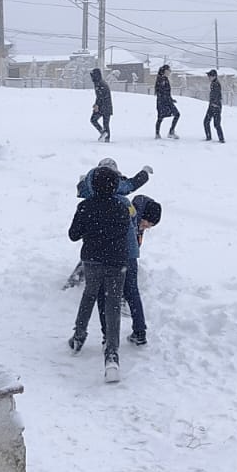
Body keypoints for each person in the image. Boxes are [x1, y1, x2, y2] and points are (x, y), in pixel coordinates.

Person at [67, 166, 133, 383]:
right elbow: (125, 231)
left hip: (92, 259)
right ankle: (112, 354)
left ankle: (79, 336)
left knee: (89, 295)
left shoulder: (85, 207)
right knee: (113, 304)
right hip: (116, 261)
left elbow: (73, 235)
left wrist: (91, 230)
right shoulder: (121, 207)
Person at [64, 158, 152, 290]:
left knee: (91, 255)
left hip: (92, 227)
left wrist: (83, 182)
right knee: (111, 257)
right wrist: (144, 173)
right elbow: (132, 184)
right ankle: (115, 290)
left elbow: (81, 192)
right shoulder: (116, 186)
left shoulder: (90, 186)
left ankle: (75, 281)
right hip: (112, 229)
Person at [119, 194, 162, 347]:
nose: (147, 227)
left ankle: (139, 331)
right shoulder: (132, 216)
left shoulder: (137, 218)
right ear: (143, 215)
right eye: (147, 223)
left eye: (150, 226)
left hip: (125, 256)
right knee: (131, 290)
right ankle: (139, 331)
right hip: (124, 256)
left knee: (130, 290)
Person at [153, 64, 180, 139]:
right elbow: (161, 92)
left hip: (167, 101)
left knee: (176, 114)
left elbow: (167, 92)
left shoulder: (165, 79)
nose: (170, 72)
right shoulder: (161, 79)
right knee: (160, 117)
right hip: (163, 102)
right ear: (165, 71)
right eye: (169, 70)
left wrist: (171, 99)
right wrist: (167, 99)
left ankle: (170, 132)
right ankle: (158, 134)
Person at [89, 67, 113, 142]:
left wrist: (97, 105)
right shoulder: (101, 82)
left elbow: (100, 96)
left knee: (93, 120)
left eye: (92, 75)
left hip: (103, 106)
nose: (91, 77)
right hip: (107, 106)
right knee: (106, 123)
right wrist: (96, 104)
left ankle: (104, 134)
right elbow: (100, 96)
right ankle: (106, 138)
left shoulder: (99, 83)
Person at [203, 69, 224, 143]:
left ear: (214, 76)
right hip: (212, 106)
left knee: (216, 124)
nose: (208, 77)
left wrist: (215, 104)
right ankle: (209, 137)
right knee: (206, 122)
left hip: (216, 106)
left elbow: (218, 95)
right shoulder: (213, 83)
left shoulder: (216, 84)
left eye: (210, 76)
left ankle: (221, 139)